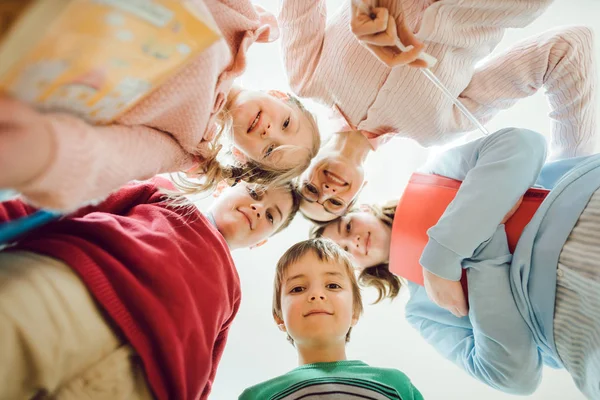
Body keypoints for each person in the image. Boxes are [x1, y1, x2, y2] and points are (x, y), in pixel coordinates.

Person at [314, 127, 600, 398]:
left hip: (583, 213)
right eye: (344, 253)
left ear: (362, 208)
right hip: (579, 328)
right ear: (355, 272)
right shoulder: (423, 312)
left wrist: (443, 255)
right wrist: (484, 250)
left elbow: (524, 145)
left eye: (347, 227)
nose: (353, 242)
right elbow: (513, 376)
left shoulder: (430, 176)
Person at [280, 0, 596, 220]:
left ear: (301, 166)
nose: (326, 191)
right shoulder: (436, 130)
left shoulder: (306, 77)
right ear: (362, 190)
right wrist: (570, 175)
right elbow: (568, 48)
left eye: (309, 189)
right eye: (335, 203)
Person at [0, 0, 320, 211]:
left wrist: (43, 153)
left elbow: (113, 159)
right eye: (286, 124)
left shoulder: (186, 146)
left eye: (269, 150)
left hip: (31, 53)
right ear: (280, 96)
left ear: (240, 156)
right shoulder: (243, 25)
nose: (269, 131)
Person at [0, 176, 301, 400]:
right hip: (73, 291)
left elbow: (207, 372)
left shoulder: (232, 294)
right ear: (223, 186)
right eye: (255, 192)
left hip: (144, 385)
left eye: (271, 216)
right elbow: (72, 199)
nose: (259, 208)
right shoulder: (166, 194)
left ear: (261, 242)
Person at [239, 238, 423, 400]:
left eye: (333, 285)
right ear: (279, 317)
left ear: (355, 311)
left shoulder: (396, 386)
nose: (317, 295)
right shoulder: (257, 397)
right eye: (297, 288)